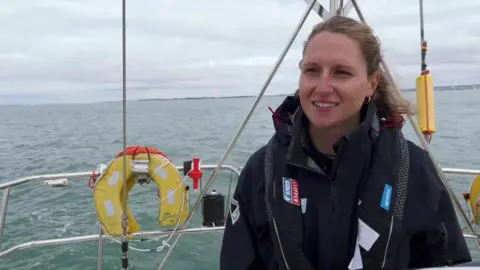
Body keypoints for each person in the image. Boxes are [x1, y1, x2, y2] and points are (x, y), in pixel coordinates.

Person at [219, 16, 472, 270]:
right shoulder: (261, 172)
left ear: (371, 84)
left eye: (341, 73)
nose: (323, 86)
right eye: (312, 70)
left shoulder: (413, 170)